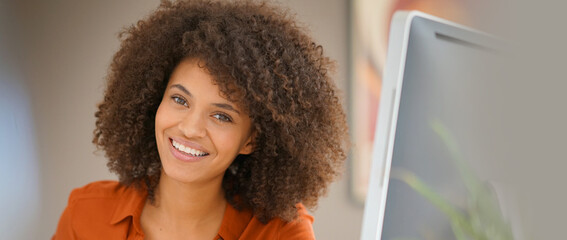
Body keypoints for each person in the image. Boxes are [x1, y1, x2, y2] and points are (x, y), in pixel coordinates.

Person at [52, 0, 348, 239]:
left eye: (221, 116)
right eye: (180, 100)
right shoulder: (86, 214)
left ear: (251, 140)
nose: (190, 128)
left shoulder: (280, 232)